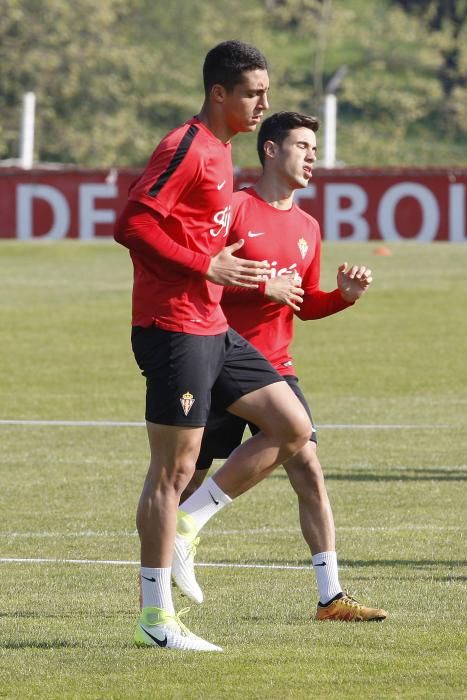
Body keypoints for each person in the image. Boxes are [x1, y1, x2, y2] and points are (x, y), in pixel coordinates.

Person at [114, 45, 313, 652]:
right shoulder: (188, 144)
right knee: (173, 468)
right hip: (172, 326)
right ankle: (156, 617)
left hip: (211, 324)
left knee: (291, 426)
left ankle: (190, 526)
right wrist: (207, 265)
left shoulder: (222, 153)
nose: (265, 104)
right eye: (254, 92)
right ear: (219, 93)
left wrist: (231, 273)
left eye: (267, 91)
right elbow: (132, 223)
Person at [173, 111, 387, 622]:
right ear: (270, 150)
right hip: (219, 358)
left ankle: (330, 597)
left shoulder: (308, 226)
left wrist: (343, 297)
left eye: (316, 148)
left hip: (276, 367)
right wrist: (257, 284)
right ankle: (162, 575)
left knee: (308, 466)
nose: (313, 156)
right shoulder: (234, 209)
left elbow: (304, 302)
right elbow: (201, 278)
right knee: (187, 473)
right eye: (303, 145)